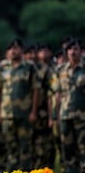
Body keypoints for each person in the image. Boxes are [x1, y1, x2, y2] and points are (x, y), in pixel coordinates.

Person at [0, 39, 40, 171]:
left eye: (16, 48)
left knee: (25, 146)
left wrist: (33, 112)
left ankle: (25, 170)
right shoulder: (2, 66)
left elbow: (36, 89)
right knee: (10, 146)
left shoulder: (29, 66)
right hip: (7, 113)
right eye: (10, 48)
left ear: (22, 50)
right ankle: (12, 170)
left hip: (25, 114)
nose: (13, 51)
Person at [52, 39, 85, 172]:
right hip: (65, 115)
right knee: (67, 148)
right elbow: (57, 94)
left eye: (76, 49)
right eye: (70, 49)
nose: (73, 52)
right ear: (66, 52)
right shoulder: (60, 70)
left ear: (80, 52)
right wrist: (55, 116)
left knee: (83, 147)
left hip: (82, 116)